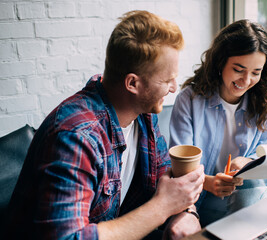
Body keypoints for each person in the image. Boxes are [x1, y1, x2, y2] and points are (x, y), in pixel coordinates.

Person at [5, 10, 205, 240]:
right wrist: (162, 208)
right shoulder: (76, 137)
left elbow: (165, 176)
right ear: (133, 83)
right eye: (167, 80)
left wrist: (186, 212)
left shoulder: (144, 113)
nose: (173, 88)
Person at [169, 19, 267, 227]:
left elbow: (266, 161)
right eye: (239, 69)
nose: (246, 80)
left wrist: (248, 163)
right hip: (201, 199)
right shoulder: (190, 100)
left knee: (252, 185)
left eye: (256, 73)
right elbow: (179, 164)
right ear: (221, 61)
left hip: (251, 198)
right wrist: (208, 182)